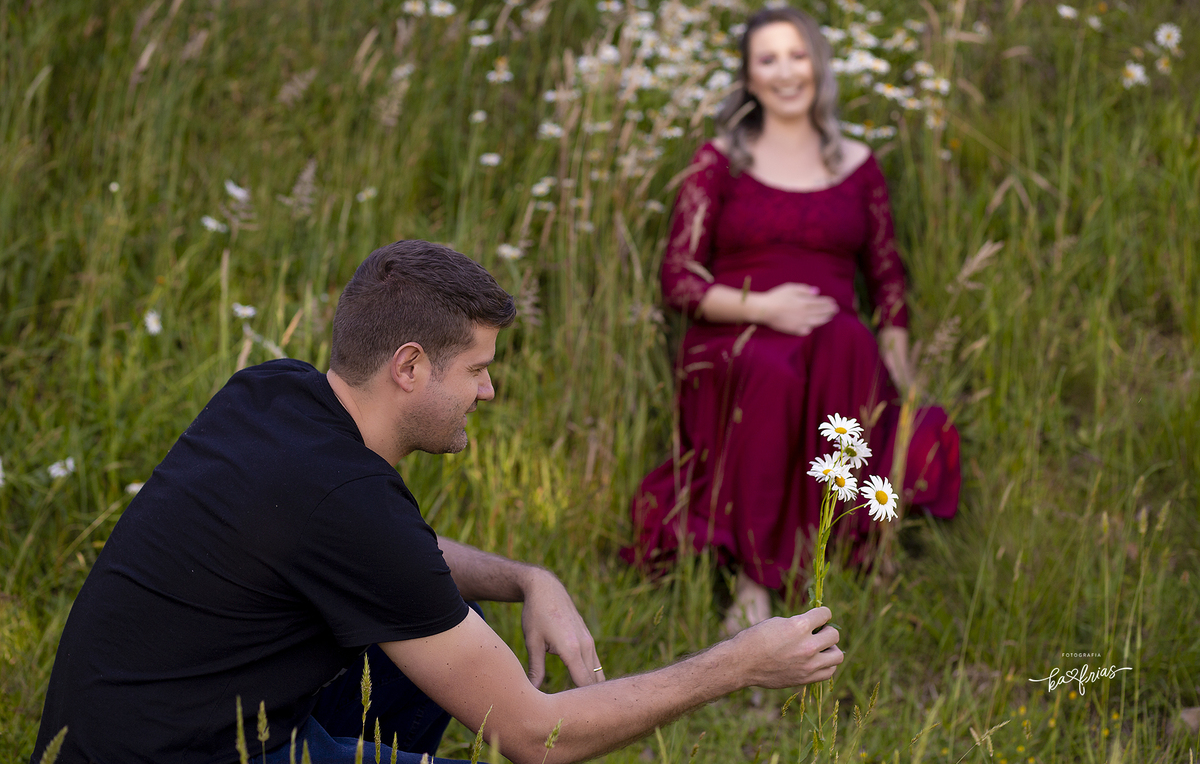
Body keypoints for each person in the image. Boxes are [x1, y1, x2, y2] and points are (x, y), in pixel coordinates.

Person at [30, 240, 843, 764]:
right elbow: (536, 736)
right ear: (411, 367)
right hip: (190, 753)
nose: (489, 391)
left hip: (126, 735)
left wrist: (528, 577)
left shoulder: (272, 393)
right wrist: (738, 663)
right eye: (478, 370)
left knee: (448, 630)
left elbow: (394, 562)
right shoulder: (350, 506)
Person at [623, 6, 961, 635]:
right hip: (738, 328)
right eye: (767, 59)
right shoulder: (719, 160)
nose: (785, 72)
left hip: (832, 335)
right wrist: (764, 307)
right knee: (771, 370)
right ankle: (755, 579)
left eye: (797, 56)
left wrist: (901, 370)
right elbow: (679, 277)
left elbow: (887, 280)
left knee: (847, 343)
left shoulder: (857, 164)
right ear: (749, 76)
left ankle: (844, 547)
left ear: (818, 65)